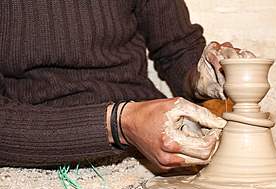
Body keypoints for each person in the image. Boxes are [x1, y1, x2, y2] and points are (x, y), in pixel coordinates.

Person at [0, 0, 254, 170]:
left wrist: (201, 76)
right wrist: (119, 124)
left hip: (145, 144)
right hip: (34, 151)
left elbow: (176, 49)